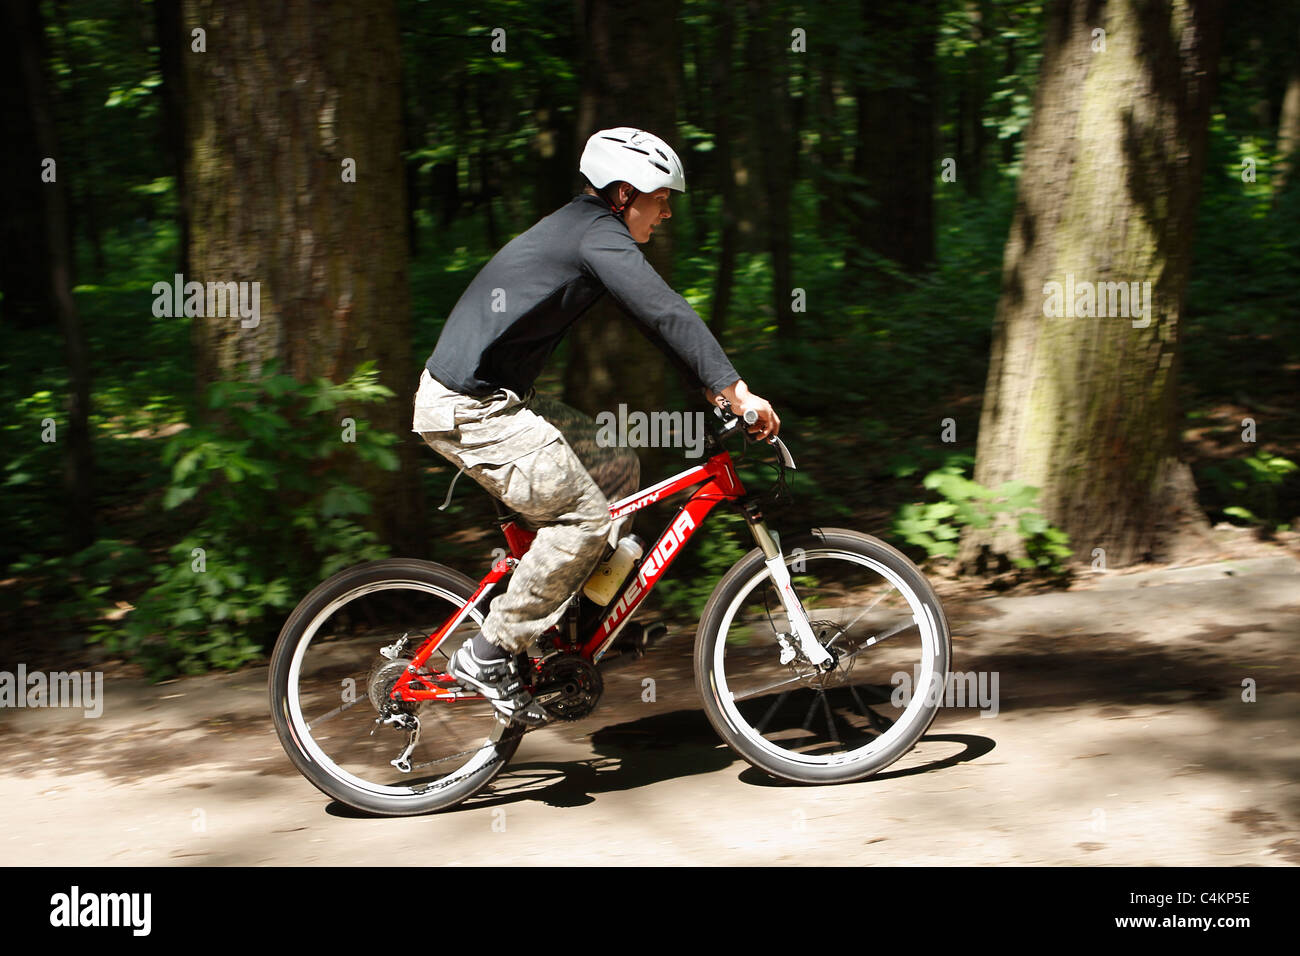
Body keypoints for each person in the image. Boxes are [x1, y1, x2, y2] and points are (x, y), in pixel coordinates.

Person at [411, 126, 780, 726]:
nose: (666, 211)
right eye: (661, 197)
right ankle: (487, 652)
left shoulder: (586, 232)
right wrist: (736, 390)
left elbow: (651, 321)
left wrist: (711, 390)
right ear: (624, 191)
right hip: (469, 407)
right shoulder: (594, 233)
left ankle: (579, 624)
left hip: (495, 399)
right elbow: (667, 309)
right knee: (582, 519)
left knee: (618, 467)